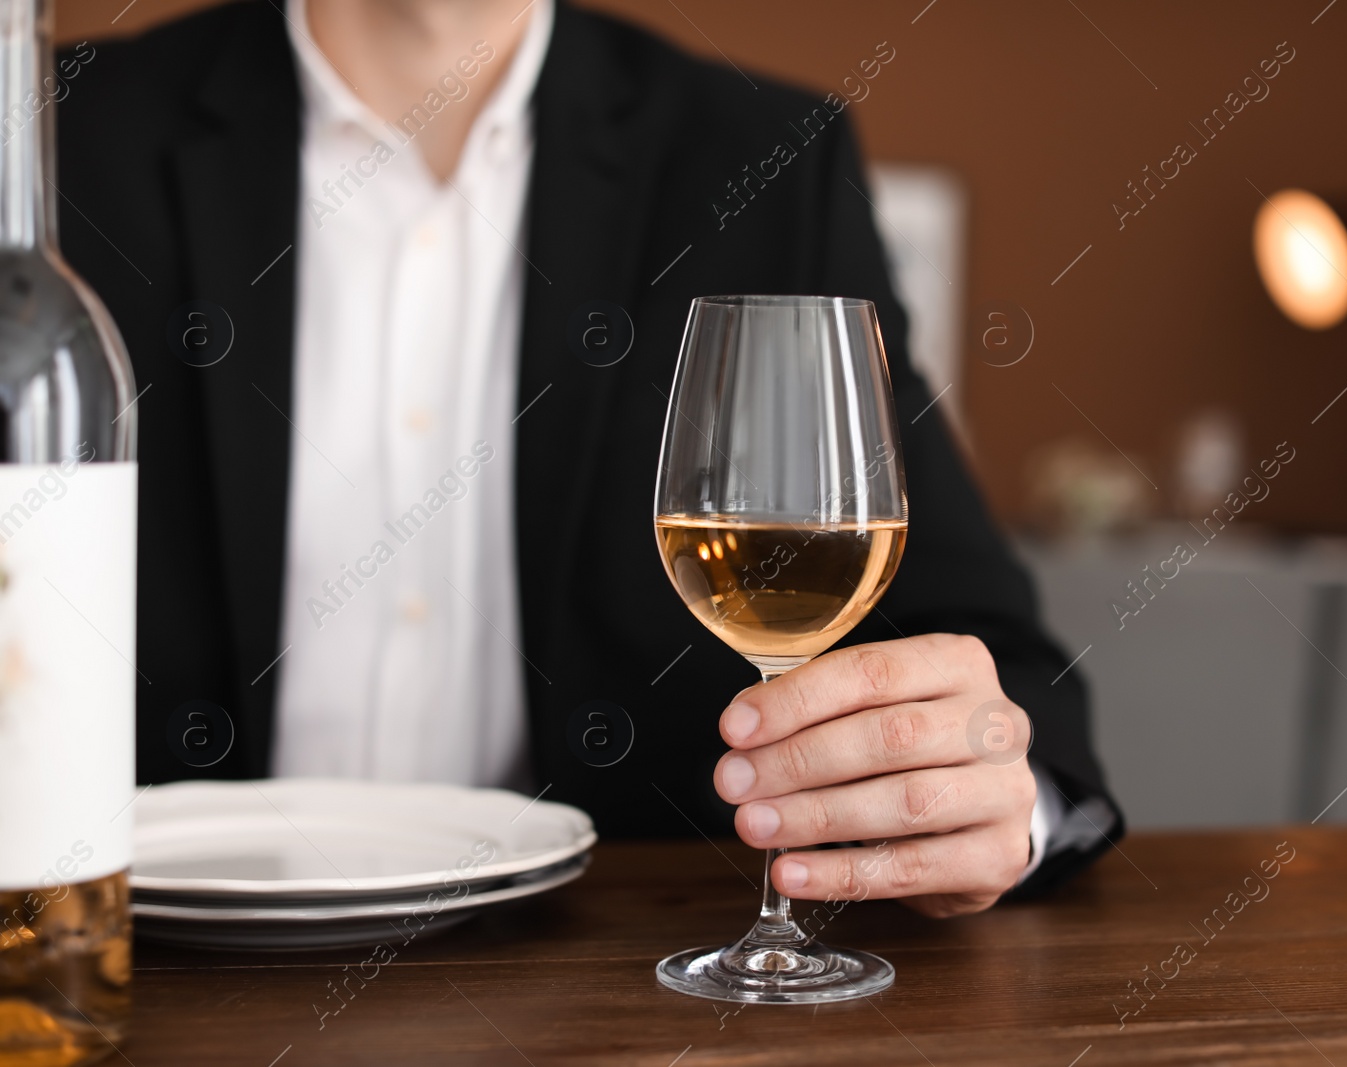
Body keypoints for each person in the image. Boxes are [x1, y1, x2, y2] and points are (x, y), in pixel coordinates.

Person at [58, 0, 1121, 916]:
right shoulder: (52, 135)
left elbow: (999, 672)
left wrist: (990, 796)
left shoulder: (765, 160)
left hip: (621, 989)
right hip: (141, 973)